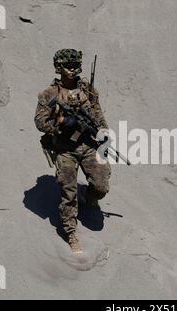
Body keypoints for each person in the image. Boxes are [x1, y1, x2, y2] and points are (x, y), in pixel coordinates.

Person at [34, 49, 111, 253]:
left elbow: (96, 111)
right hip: (65, 148)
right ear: (59, 67)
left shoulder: (86, 88)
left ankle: (89, 195)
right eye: (68, 65)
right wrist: (61, 123)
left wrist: (103, 129)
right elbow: (40, 122)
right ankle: (70, 232)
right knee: (68, 192)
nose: (72, 69)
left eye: (76, 65)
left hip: (88, 144)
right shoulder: (49, 94)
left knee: (102, 185)